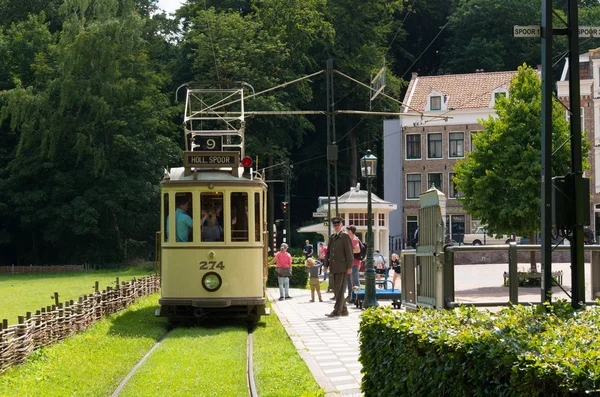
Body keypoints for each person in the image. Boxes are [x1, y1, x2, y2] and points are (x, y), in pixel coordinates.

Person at [323, 217, 353, 317]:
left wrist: (349, 266)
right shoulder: (332, 237)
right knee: (337, 289)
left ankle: (337, 311)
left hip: (342, 266)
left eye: (338, 225)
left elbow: (349, 252)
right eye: (334, 225)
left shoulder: (344, 236)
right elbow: (328, 252)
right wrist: (325, 265)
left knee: (339, 289)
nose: (336, 227)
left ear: (341, 225)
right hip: (334, 267)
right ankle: (344, 310)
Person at [345, 225, 362, 303]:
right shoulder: (351, 239)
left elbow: (357, 250)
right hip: (352, 263)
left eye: (347, 230)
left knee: (355, 281)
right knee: (351, 281)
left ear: (350, 231)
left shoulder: (354, 239)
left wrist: (348, 251)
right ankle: (353, 297)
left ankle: (358, 297)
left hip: (354, 263)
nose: (346, 232)